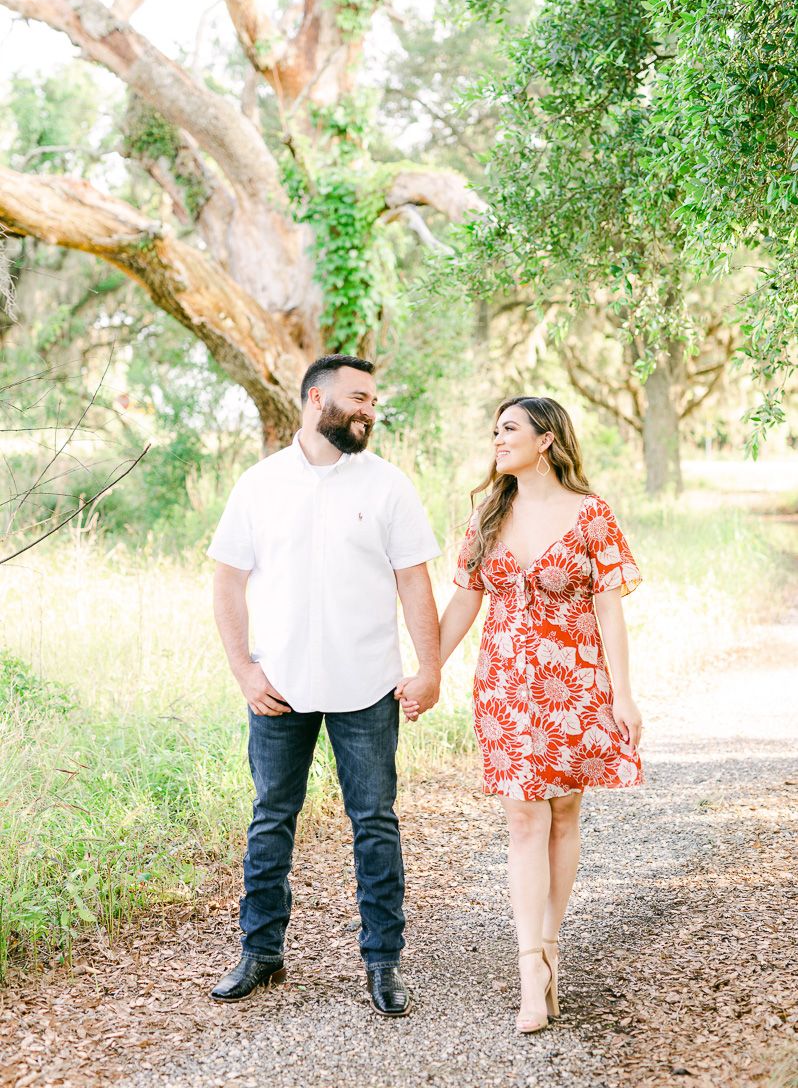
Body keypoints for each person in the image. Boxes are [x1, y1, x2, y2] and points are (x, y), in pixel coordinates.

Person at [207, 355, 441, 1016]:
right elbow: (227, 581)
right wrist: (244, 670)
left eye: (372, 400)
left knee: (373, 822)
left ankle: (383, 964)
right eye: (359, 398)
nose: (370, 410)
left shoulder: (388, 486)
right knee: (271, 818)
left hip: (367, 685)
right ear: (317, 399)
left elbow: (414, 580)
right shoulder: (259, 485)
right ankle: (261, 954)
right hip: (277, 686)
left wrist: (430, 668)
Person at [403, 396, 643, 1034]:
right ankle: (529, 969)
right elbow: (464, 600)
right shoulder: (488, 513)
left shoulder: (591, 515)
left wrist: (623, 694)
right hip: (506, 686)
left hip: (576, 685)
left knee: (565, 811)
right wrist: (429, 668)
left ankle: (550, 946)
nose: (497, 439)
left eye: (509, 429)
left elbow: (610, 609)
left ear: (547, 440)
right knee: (523, 818)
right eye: (495, 430)